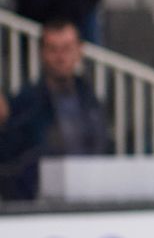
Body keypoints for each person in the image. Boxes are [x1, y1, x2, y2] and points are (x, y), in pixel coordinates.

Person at [0, 19, 110, 201]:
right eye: (53, 49)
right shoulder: (26, 103)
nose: (60, 57)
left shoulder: (91, 100)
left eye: (66, 48)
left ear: (79, 51)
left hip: (89, 197)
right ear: (42, 53)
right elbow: (10, 161)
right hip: (40, 204)